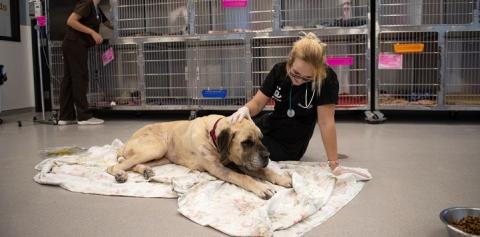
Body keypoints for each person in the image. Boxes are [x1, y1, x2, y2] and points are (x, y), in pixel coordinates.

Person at [228, 32, 340, 170]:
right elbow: (257, 103)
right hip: (270, 124)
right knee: (231, 131)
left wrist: (333, 163)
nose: (299, 81)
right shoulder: (279, 70)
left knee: (240, 146)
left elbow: (326, 122)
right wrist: (245, 109)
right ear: (290, 61)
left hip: (290, 144)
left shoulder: (327, 79)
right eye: (295, 74)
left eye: (307, 78)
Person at [58, 0, 113, 125]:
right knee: (80, 77)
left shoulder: (96, 8)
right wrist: (93, 32)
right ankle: (84, 116)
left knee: (69, 79)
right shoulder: (87, 3)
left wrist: (120, 29)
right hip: (75, 43)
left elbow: (106, 23)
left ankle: (65, 117)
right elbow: (71, 21)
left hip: (74, 44)